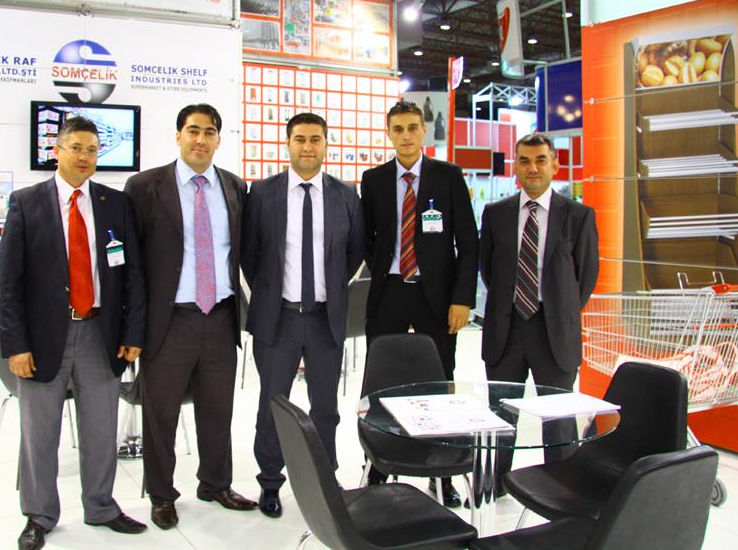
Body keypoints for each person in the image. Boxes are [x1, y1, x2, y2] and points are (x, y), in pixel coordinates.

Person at [0, 116, 148, 550]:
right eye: (76, 148)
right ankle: (39, 515)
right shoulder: (27, 203)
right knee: (39, 433)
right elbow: (9, 283)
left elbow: (133, 276)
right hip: (45, 337)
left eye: (92, 150)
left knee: (101, 429)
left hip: (101, 332)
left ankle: (100, 506)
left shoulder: (114, 203)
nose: (84, 157)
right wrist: (16, 345)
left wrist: (133, 332)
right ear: (57, 151)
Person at [123, 103, 256, 530]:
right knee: (160, 415)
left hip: (220, 317)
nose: (201, 139)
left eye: (210, 132)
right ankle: (162, 495)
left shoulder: (234, 187)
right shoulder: (144, 186)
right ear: (178, 135)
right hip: (168, 322)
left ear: (219, 139)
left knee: (218, 410)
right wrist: (132, 328)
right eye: (193, 130)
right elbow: (131, 265)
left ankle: (215, 484)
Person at [242, 113, 365, 518]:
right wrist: (271, 292)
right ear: (288, 143)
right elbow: (250, 253)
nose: (307, 147)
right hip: (279, 318)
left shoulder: (346, 194)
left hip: (326, 319)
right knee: (273, 405)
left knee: (325, 406)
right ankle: (270, 481)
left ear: (326, 144)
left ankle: (325, 478)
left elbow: (355, 251)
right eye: (300, 139)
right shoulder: (263, 193)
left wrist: (330, 287)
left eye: (315, 139)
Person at [360, 100, 478, 507]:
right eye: (398, 129)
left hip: (437, 296)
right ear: (388, 133)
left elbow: (469, 242)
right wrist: (382, 265)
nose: (406, 135)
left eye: (412, 127)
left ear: (424, 131)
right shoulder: (374, 179)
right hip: (389, 292)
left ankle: (441, 471)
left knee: (440, 382)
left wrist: (462, 299)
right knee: (381, 382)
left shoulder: (448, 176)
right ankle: (377, 463)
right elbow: (366, 237)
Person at [479, 132, 599, 487]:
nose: (532, 168)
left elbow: (585, 276)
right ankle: (496, 484)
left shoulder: (578, 216)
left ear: (555, 165)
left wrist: (559, 311)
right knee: (501, 413)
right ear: (515, 166)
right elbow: (489, 270)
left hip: (554, 332)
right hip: (507, 328)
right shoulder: (495, 214)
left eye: (540, 160)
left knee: (558, 418)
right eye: (525, 161)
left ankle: (560, 487)